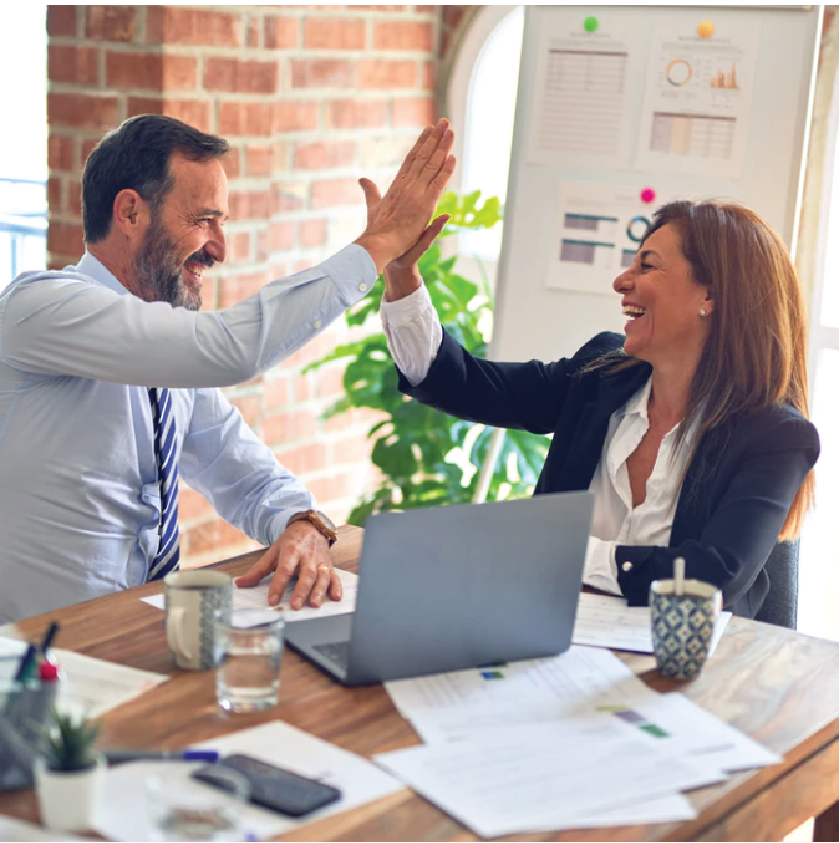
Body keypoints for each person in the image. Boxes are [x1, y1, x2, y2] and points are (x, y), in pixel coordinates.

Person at [0, 114, 455, 624]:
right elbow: (231, 350)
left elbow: (244, 474)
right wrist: (379, 245)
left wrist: (302, 524)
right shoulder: (39, 308)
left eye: (222, 224)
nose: (220, 248)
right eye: (203, 221)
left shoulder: (165, 355)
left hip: (136, 640)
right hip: (31, 663)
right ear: (130, 213)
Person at [377, 199, 819, 618]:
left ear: (711, 297)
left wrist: (560, 552)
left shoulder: (775, 436)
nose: (621, 282)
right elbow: (464, 384)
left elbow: (710, 578)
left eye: (647, 265)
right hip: (551, 640)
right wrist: (401, 273)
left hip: (689, 674)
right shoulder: (600, 375)